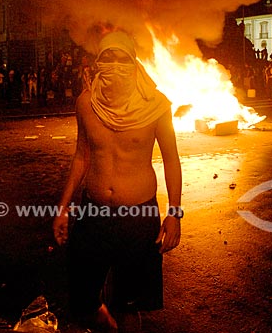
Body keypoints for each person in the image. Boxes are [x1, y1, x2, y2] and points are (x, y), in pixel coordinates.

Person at [53, 30, 183, 332]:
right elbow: (81, 157)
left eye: (121, 57)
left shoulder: (156, 106)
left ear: (133, 61)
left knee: (129, 304)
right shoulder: (86, 104)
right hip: (93, 214)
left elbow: (171, 159)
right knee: (83, 301)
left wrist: (174, 213)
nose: (113, 64)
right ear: (97, 62)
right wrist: (63, 208)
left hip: (138, 217)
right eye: (106, 57)